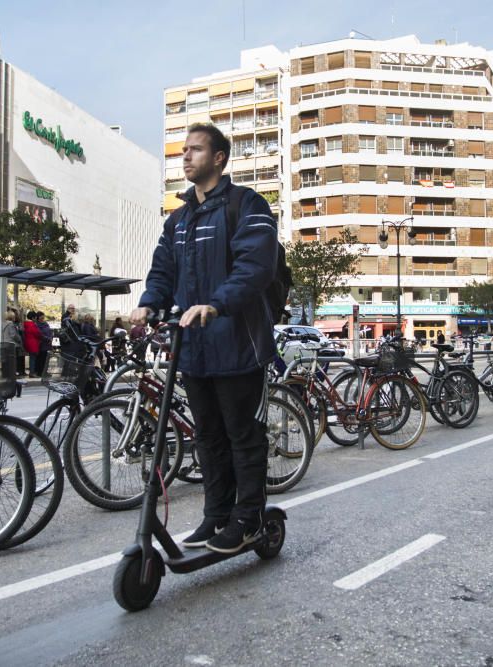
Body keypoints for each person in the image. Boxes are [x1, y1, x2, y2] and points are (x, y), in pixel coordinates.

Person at [130, 122, 278, 554]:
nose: (186, 157)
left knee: (242, 434)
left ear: (218, 158)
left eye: (195, 149)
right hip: (192, 348)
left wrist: (217, 303)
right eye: (183, 151)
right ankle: (216, 516)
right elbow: (163, 271)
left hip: (237, 342)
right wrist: (149, 302)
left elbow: (256, 266)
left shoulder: (246, 204)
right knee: (208, 436)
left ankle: (247, 517)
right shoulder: (179, 219)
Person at [23, 311, 41, 377]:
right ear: (33, 317)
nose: (36, 319)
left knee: (31, 357)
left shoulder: (25, 324)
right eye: (35, 317)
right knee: (33, 358)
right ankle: (32, 372)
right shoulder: (32, 325)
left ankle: (32, 372)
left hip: (28, 342)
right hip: (33, 343)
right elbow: (37, 333)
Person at [35, 312, 54, 378]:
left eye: (43, 316)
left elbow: (50, 332)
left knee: (47, 359)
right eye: (41, 316)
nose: (43, 317)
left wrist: (51, 338)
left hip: (48, 344)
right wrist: (48, 339)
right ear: (38, 317)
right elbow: (40, 334)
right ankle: (40, 372)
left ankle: (45, 371)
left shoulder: (46, 323)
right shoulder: (37, 325)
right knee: (42, 359)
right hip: (42, 344)